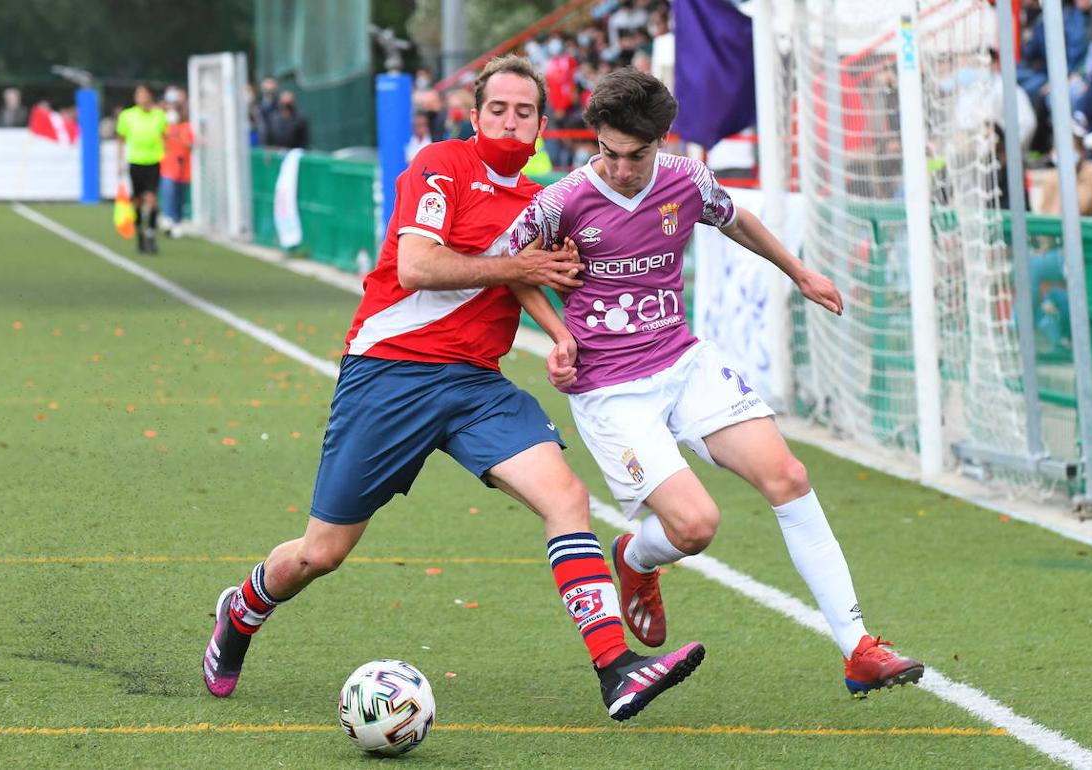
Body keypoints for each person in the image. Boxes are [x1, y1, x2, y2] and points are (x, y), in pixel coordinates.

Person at [201, 54, 705, 722]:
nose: (509, 119)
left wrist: (558, 334)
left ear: (541, 126)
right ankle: (243, 610)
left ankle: (616, 670)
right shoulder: (442, 164)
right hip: (390, 376)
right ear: (472, 116)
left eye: (524, 111)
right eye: (497, 108)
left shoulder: (541, 200)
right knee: (319, 554)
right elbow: (415, 266)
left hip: (476, 385)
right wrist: (519, 264)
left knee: (566, 496)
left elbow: (524, 279)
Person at [508, 68, 924, 699]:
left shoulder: (687, 180)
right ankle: (634, 559)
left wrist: (799, 272)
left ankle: (857, 648)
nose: (620, 169)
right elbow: (510, 268)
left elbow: (735, 218)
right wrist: (557, 334)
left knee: (789, 476)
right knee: (697, 527)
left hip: (685, 361)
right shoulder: (561, 201)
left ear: (662, 142)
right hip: (611, 389)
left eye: (636, 155)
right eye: (608, 154)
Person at [115, 84, 167, 254]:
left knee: (151, 199)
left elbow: (164, 137)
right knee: (137, 201)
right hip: (135, 162)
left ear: (150, 96)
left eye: (144, 93)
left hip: (153, 162)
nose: (141, 97)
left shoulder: (159, 115)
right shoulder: (127, 116)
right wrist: (119, 161)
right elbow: (121, 139)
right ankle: (140, 235)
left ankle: (151, 234)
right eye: (138, 94)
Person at [159, 100, 194, 237]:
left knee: (180, 196)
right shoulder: (165, 127)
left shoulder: (185, 127)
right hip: (168, 166)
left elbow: (189, 145)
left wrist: (178, 136)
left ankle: (177, 221)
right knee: (169, 192)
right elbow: (161, 142)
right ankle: (168, 217)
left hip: (183, 168)